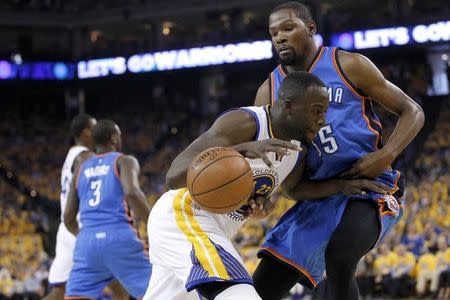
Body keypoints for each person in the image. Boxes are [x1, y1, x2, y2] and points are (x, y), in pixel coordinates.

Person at [143, 71, 388, 300]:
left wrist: (340, 187)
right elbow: (174, 176)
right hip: (185, 214)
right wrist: (239, 150)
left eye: (324, 112)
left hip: (216, 228)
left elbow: (292, 190)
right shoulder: (246, 122)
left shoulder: (296, 150)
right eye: (316, 111)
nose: (322, 120)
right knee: (240, 294)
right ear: (289, 107)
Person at [252, 2, 425, 300]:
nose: (279, 37)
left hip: (370, 187)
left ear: (310, 28)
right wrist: (258, 194)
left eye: (288, 28)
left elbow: (413, 111)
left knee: (341, 256)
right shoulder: (269, 92)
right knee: (260, 287)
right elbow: (289, 185)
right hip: (320, 194)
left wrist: (385, 156)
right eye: (273, 32)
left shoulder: (348, 64)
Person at [64, 120, 152, 299]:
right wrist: (155, 225)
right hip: (119, 235)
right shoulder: (124, 160)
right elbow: (132, 193)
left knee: (76, 296)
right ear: (114, 138)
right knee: (157, 292)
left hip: (86, 241)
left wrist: (86, 236)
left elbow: (68, 217)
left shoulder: (80, 168)